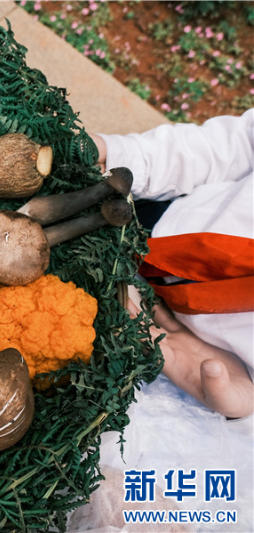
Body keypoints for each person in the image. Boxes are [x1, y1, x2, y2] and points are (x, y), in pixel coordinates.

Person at [90, 108, 253, 419]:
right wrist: (123, 156)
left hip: (201, 364)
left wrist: (246, 411)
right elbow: (236, 146)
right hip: (165, 218)